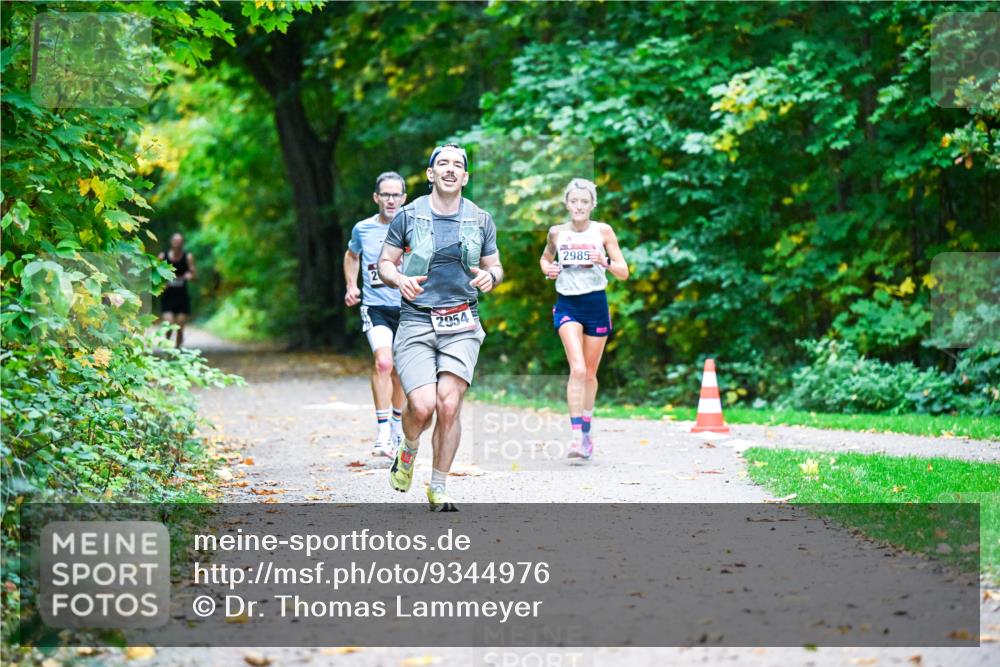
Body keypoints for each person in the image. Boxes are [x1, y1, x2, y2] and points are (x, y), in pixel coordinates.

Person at [377, 144, 502, 512]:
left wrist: (491, 277)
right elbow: (384, 263)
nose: (450, 169)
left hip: (462, 321)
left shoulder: (480, 219)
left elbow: (495, 266)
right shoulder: (408, 215)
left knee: (449, 405)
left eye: (457, 165)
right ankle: (409, 448)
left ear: (465, 177)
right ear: (430, 174)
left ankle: (439, 486)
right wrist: (398, 279)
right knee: (423, 406)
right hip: (416, 319)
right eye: (442, 164)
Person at [540, 178, 629, 460]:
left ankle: (587, 432)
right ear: (567, 203)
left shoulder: (603, 231)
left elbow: (624, 271)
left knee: (590, 373)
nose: (579, 206)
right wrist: (549, 270)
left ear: (592, 205)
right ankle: (576, 436)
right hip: (568, 304)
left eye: (584, 202)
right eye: (574, 201)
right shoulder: (556, 233)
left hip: (596, 304)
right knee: (577, 370)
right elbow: (545, 260)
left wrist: (603, 260)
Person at [345, 172, 408, 458]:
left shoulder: (415, 227)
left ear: (404, 198)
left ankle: (396, 427)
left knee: (402, 373)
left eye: (396, 194)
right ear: (376, 197)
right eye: (386, 194)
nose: (391, 199)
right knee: (384, 363)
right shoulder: (363, 229)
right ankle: (383, 433)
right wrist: (351, 286)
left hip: (410, 308)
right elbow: (351, 255)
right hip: (376, 307)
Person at [159, 233, 196, 348]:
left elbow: (194, 274)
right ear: (171, 242)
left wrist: (190, 275)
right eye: (175, 240)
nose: (177, 243)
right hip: (167, 297)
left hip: (182, 297)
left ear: (182, 243)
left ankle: (177, 351)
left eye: (179, 241)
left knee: (180, 328)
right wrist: (162, 284)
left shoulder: (188, 257)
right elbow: (154, 276)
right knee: (168, 325)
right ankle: (168, 350)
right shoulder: (162, 256)